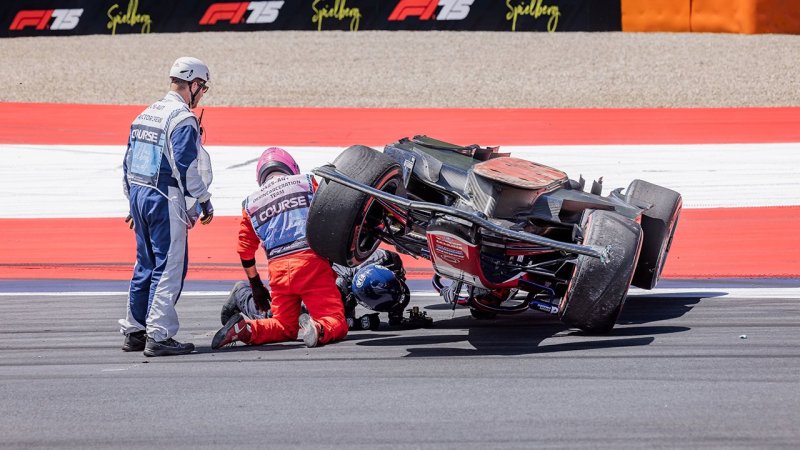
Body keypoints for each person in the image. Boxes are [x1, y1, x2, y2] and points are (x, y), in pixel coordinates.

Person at [119, 57, 214, 357]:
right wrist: (203, 199)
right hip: (164, 196)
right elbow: (187, 168)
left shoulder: (145, 113)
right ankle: (158, 334)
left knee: (144, 264)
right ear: (193, 84)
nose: (202, 94)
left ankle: (135, 330)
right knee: (170, 265)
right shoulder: (182, 118)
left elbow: (127, 163)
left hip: (139, 194)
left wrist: (132, 203)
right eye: (203, 88)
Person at [211, 147, 348, 350]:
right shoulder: (307, 182)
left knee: (284, 326)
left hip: (279, 271)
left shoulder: (251, 203)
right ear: (291, 168)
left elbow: (245, 250)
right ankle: (318, 328)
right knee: (335, 320)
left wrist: (256, 285)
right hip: (310, 264)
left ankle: (246, 329)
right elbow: (332, 212)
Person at [219, 248, 410, 331]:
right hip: (311, 273)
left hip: (330, 258)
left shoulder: (387, 259)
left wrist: (396, 313)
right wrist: (357, 323)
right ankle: (242, 294)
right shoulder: (338, 292)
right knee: (286, 319)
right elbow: (327, 322)